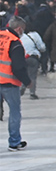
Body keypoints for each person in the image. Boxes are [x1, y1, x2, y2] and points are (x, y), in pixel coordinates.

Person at [1, 17, 32, 151]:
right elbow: (18, 67)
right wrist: (27, 81)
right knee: (14, 113)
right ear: (19, 28)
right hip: (9, 83)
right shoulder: (15, 43)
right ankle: (14, 142)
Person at [19, 24, 46, 99]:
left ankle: (22, 87)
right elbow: (42, 47)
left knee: (24, 74)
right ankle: (32, 93)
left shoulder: (21, 36)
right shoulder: (35, 35)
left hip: (23, 58)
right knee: (32, 76)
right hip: (33, 57)